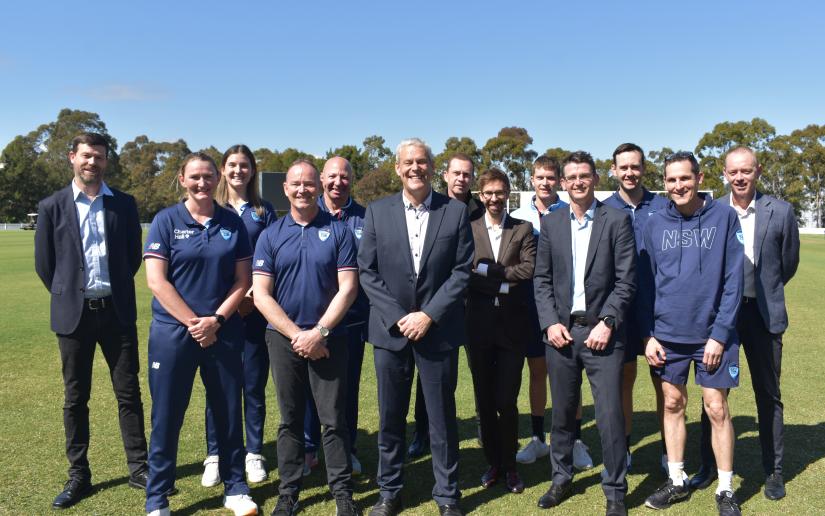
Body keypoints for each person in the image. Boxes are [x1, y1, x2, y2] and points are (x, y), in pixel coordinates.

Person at [358, 138, 473, 516]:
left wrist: (428, 315)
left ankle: (448, 495)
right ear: (397, 168)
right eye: (408, 162)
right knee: (390, 419)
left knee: (441, 420)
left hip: (437, 331)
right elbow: (367, 271)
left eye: (421, 161)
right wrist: (398, 316)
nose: (415, 168)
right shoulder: (377, 212)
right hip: (390, 333)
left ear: (432, 167)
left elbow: (461, 271)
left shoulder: (455, 212)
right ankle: (389, 492)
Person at [35, 132, 149, 510]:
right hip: (74, 317)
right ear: (72, 157)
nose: (92, 162)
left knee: (128, 394)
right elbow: (46, 266)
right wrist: (70, 293)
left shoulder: (124, 204)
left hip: (116, 313)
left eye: (99, 157)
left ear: (105, 161)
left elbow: (132, 257)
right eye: (86, 155)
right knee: (75, 398)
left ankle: (139, 469)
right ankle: (79, 475)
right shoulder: (52, 206)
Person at [143, 152, 258, 516]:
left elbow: (243, 280)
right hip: (173, 333)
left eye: (208, 176)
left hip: (223, 331)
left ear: (217, 178)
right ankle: (157, 498)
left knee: (228, 412)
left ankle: (235, 488)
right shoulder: (165, 220)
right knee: (167, 416)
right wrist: (196, 323)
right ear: (182, 179)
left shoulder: (231, 222)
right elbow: (156, 281)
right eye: (194, 176)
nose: (202, 183)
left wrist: (216, 321)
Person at [688, 146, 800, 501]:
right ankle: (708, 466)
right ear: (724, 174)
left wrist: (764, 292)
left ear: (758, 171)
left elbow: (787, 264)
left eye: (746, 171)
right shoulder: (712, 211)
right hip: (724, 317)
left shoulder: (781, 212)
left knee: (768, 394)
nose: (739, 177)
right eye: (733, 171)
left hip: (763, 316)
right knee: (713, 393)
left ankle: (774, 471)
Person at [252, 159, 360, 516]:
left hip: (329, 338)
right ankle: (289, 492)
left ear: (319, 187)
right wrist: (298, 335)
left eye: (309, 183)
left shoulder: (339, 231)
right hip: (284, 339)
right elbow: (261, 294)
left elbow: (348, 288)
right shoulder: (270, 235)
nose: (303, 189)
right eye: (296, 184)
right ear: (285, 189)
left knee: (333, 419)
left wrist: (319, 333)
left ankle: (342, 493)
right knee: (290, 419)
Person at [641, 151, 744, 516]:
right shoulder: (654, 223)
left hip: (713, 337)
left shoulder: (724, 217)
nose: (678, 185)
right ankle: (676, 480)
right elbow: (644, 284)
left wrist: (719, 335)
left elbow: (734, 281)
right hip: (667, 336)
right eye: (671, 180)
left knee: (716, 408)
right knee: (672, 404)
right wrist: (648, 335)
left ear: (699, 179)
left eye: (685, 178)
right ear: (664, 183)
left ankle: (726, 488)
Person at [533, 151, 635, 516]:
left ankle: (615, 491)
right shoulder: (552, 222)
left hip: (603, 335)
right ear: (563, 183)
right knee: (561, 413)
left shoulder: (617, 220)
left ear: (595, 179)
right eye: (572, 176)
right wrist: (550, 322)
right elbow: (542, 279)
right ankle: (561, 478)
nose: (578, 182)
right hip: (561, 334)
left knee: (608, 415)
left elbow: (626, 280)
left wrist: (607, 322)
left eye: (584, 175)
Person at [510, 156, 594, 471]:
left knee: (572, 378)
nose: (544, 183)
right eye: (539, 177)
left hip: (564, 311)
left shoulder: (570, 210)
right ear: (531, 180)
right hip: (530, 308)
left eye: (550, 177)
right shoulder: (518, 216)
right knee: (537, 372)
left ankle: (576, 440)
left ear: (559, 181)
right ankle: (536, 438)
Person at [201, 145, 277, 487]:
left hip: (255, 311)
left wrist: (252, 296)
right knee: (218, 386)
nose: (238, 171)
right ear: (223, 169)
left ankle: (254, 453)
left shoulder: (264, 211)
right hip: (220, 313)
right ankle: (215, 455)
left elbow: (273, 256)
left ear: (252, 170)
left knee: (253, 385)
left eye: (244, 165)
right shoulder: (211, 208)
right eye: (232, 165)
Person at [409, 152, 483, 459]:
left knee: (480, 370)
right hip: (438, 308)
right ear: (446, 175)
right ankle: (422, 432)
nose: (461, 179)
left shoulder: (481, 210)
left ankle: (484, 428)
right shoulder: (433, 206)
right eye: (457, 173)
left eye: (467, 174)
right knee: (431, 376)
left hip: (475, 304)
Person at [466, 168, 535, 494]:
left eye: (500, 192)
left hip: (512, 328)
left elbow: (529, 268)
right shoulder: (469, 229)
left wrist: (493, 275)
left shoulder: (522, 228)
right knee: (484, 399)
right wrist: (503, 278)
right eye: (488, 193)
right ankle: (493, 462)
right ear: (481, 195)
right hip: (478, 328)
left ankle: (510, 466)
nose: (494, 198)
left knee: (506, 400)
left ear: (508, 193)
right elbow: (465, 272)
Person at [603, 143, 669, 470]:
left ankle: (670, 453)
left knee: (665, 384)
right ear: (613, 170)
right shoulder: (604, 209)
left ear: (644, 168)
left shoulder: (664, 206)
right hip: (621, 310)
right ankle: (625, 449)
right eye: (624, 167)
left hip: (660, 308)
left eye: (635, 166)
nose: (630, 173)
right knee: (624, 380)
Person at [302, 156, 369, 477]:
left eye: (344, 176)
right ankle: (308, 448)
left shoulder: (367, 218)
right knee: (306, 390)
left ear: (351, 180)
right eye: (332, 176)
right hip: (308, 322)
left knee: (346, 390)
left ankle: (347, 449)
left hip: (351, 322)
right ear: (321, 179)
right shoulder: (305, 213)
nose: (337, 182)